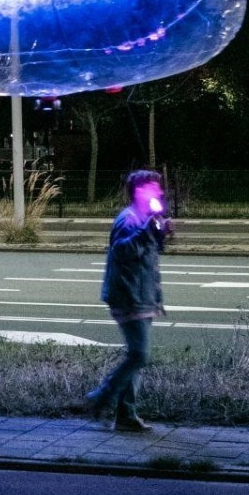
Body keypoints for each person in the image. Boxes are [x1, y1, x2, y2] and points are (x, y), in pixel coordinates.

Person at [86, 170, 167, 433]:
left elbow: (149, 252)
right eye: (154, 188)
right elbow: (121, 251)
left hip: (141, 295)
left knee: (136, 357)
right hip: (129, 296)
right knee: (139, 355)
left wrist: (161, 233)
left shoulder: (145, 219)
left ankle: (126, 415)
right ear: (140, 191)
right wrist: (147, 232)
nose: (160, 193)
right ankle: (102, 396)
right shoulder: (128, 219)